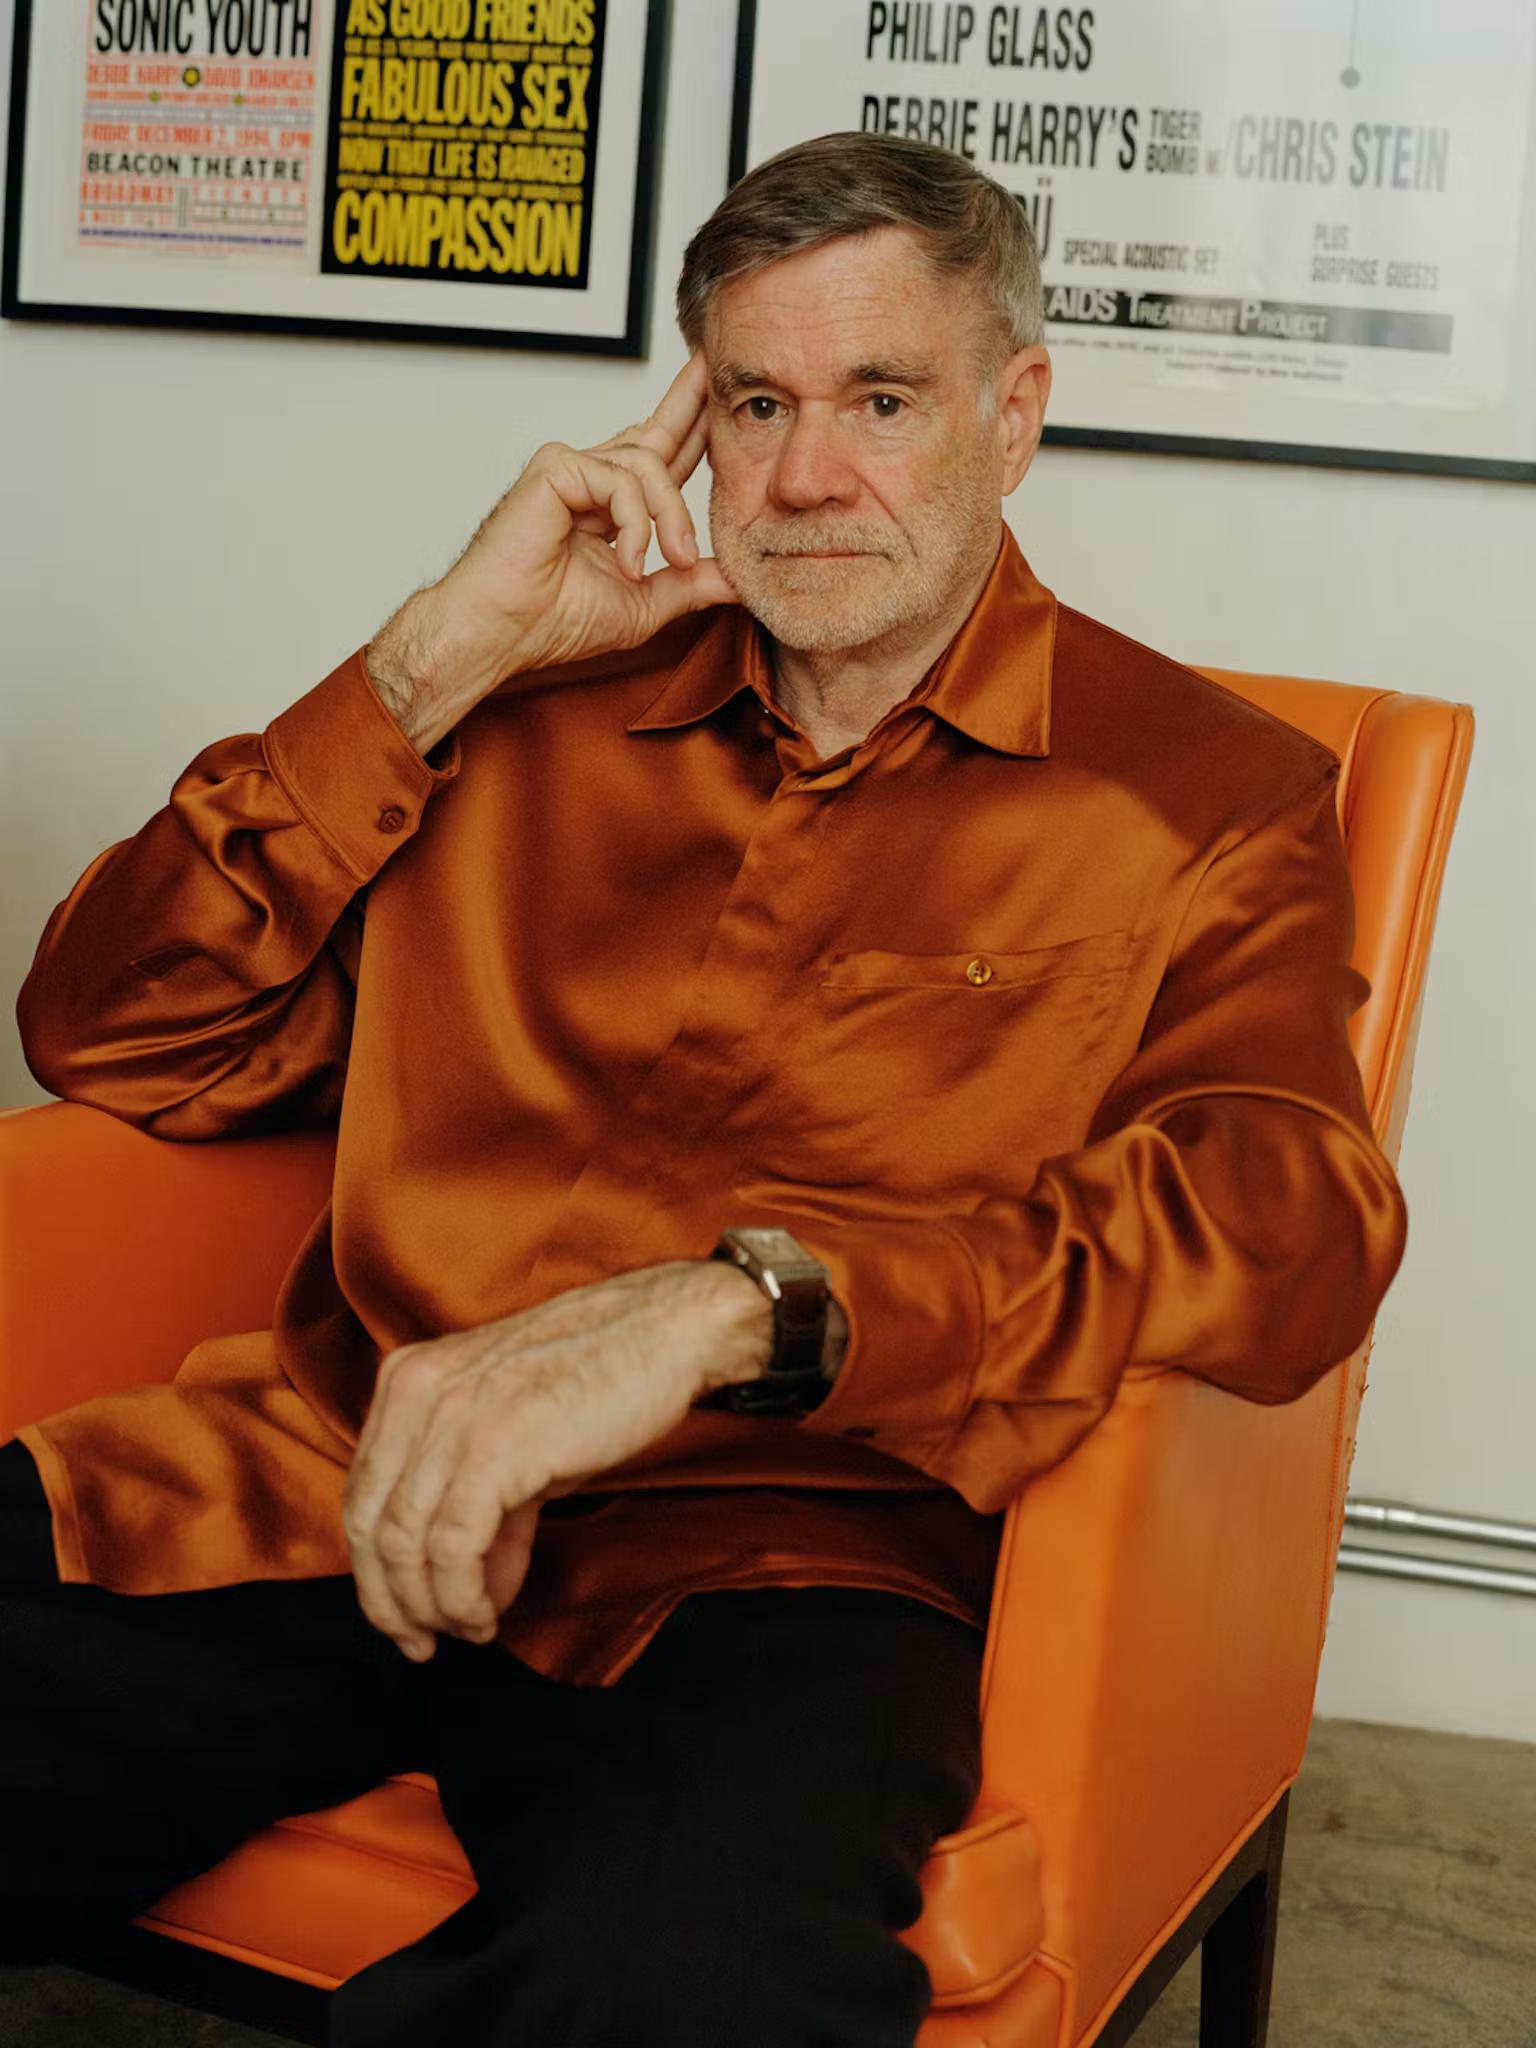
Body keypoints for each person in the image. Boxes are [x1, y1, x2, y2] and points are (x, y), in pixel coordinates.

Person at [3, 131, 1408, 2046]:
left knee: (669, 2002)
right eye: (758, 404)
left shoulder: (1206, 796)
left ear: (1014, 414)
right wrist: (426, 665)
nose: (809, 476)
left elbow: (1294, 1212)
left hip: (784, 1567)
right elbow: (108, 1030)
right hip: (335, 1479)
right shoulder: (520, 718)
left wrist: (738, 1306)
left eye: (881, 401)